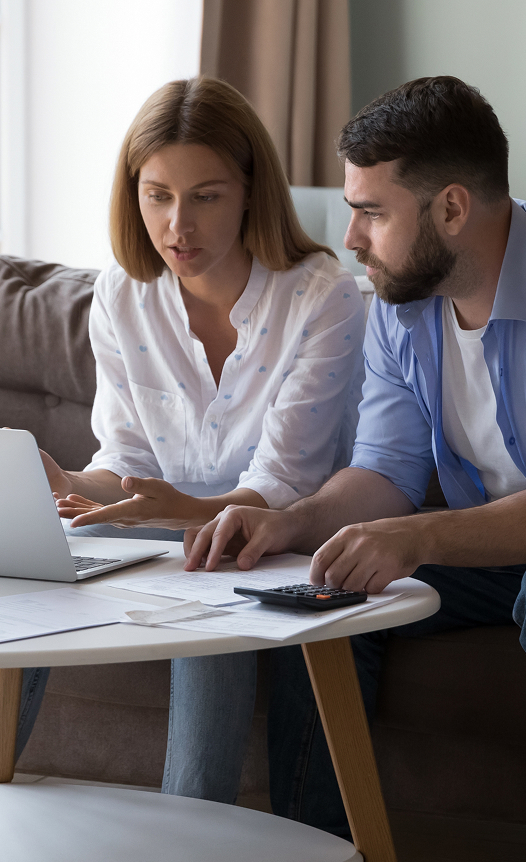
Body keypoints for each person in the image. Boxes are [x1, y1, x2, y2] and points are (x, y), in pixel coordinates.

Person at [184, 76, 526, 839]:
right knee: (325, 587)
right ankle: (319, 847)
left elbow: (417, 521)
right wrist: (290, 522)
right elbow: (384, 472)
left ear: (452, 209)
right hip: (490, 551)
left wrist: (421, 535)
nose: (351, 238)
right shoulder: (403, 311)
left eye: (372, 212)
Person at [15, 77, 365, 788]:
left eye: (205, 197)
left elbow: (283, 483)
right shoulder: (122, 294)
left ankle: (194, 818)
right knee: (35, 566)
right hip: (171, 525)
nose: (178, 226)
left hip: (280, 533)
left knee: (208, 568)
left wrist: (186, 514)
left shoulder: (322, 296)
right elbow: (126, 461)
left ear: (249, 191)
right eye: (158, 196)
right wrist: (63, 484)